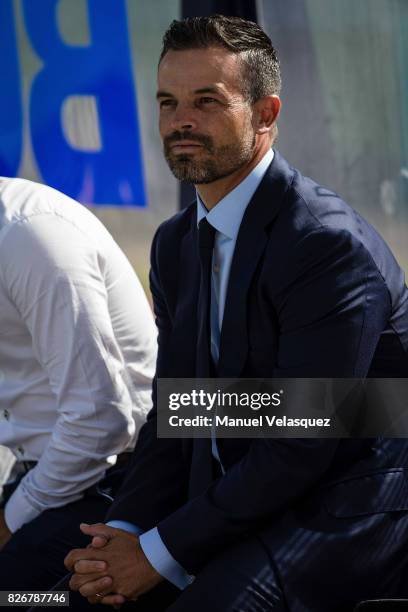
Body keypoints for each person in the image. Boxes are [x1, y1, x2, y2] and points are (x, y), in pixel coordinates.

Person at [64, 15, 408, 612]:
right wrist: (121, 535)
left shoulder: (324, 245)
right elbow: (180, 411)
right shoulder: (174, 244)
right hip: (240, 495)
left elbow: (302, 441)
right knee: (42, 596)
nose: (180, 122)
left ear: (266, 114)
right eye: (167, 102)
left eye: (206, 101)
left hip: (343, 508)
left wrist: (158, 551)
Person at [0, 177, 157, 591]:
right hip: (50, 475)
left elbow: (99, 422)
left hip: (115, 480)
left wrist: (8, 521)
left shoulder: (29, 234)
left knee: (12, 597)